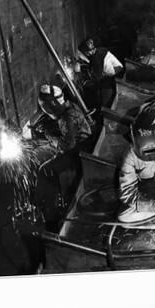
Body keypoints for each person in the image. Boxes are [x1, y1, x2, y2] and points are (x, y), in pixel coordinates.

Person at [33, 83, 93, 231]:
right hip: (85, 145)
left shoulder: (67, 118)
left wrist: (48, 135)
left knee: (45, 170)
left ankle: (51, 216)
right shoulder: (69, 106)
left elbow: (67, 146)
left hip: (80, 153)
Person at [76, 37, 123, 109]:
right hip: (116, 73)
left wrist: (84, 83)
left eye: (84, 52)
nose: (84, 54)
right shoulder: (99, 51)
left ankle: (102, 111)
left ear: (88, 52)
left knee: (103, 102)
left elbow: (97, 78)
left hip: (111, 79)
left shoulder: (97, 59)